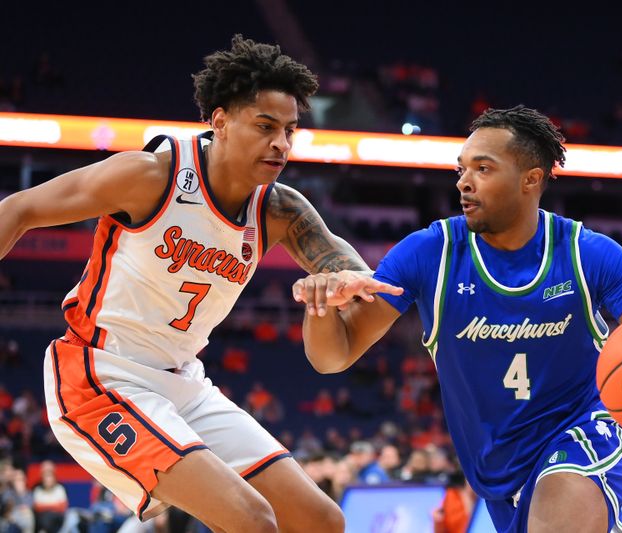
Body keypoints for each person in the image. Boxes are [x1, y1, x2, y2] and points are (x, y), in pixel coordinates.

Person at [0, 35, 395, 533]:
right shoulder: (151, 176)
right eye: (265, 126)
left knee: (320, 521)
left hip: (183, 381)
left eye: (290, 131)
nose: (281, 144)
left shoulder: (279, 209)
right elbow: (19, 209)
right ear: (221, 121)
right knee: (252, 519)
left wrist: (341, 283)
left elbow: (348, 268)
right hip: (100, 374)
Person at [292, 106, 622, 532]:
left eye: (483, 168)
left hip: (581, 435)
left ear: (531, 179)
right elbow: (335, 356)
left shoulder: (590, 254)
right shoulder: (429, 252)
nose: (464, 182)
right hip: (496, 467)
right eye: (461, 169)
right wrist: (321, 306)